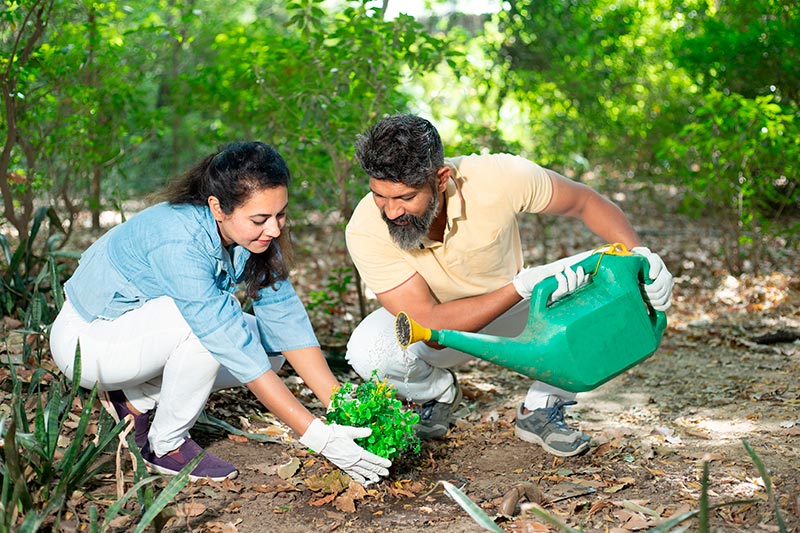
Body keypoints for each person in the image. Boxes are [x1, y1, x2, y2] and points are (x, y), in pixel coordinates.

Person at [49, 141, 391, 485]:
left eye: (281, 214)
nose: (274, 229)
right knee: (209, 327)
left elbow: (286, 321)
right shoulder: (179, 240)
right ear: (217, 207)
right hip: (88, 342)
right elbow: (223, 336)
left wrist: (341, 404)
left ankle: (137, 398)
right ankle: (164, 445)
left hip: (139, 332)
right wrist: (318, 436)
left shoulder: (253, 237)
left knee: (271, 349)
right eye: (260, 219)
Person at [344, 114, 674, 458]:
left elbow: (585, 202)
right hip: (443, 331)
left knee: (608, 274)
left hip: (524, 313)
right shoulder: (366, 227)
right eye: (379, 195)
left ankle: (543, 406)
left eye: (406, 197)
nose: (392, 211)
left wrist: (640, 257)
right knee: (369, 348)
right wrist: (518, 287)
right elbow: (426, 322)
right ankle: (435, 394)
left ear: (441, 179)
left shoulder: (497, 176)